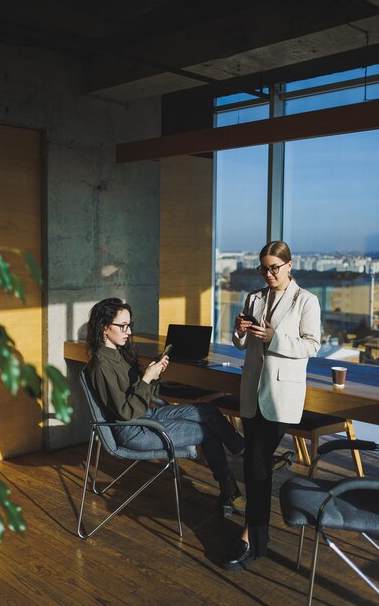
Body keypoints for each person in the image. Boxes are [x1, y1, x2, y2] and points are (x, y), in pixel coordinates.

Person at [85, 297, 246, 515]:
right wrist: (146, 379)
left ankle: (242, 450)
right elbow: (125, 412)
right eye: (122, 326)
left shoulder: (118, 355)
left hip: (146, 416)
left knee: (206, 410)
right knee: (205, 432)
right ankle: (230, 491)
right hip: (133, 430)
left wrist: (154, 375)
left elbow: (145, 396)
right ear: (105, 328)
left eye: (129, 325)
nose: (128, 331)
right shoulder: (101, 365)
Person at [223, 241, 321, 571]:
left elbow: (313, 345)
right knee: (257, 464)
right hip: (252, 392)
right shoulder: (254, 298)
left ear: (290, 266)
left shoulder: (306, 300)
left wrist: (274, 337)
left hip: (281, 397)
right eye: (263, 268)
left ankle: (249, 536)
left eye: (274, 268)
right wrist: (239, 332)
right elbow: (242, 343)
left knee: (255, 462)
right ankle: (256, 538)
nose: (268, 274)